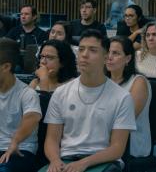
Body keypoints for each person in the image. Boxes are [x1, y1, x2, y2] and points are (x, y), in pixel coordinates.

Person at [39, 29, 136, 172]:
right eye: (82, 49)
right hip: (65, 160)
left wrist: (84, 163)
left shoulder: (122, 97)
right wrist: (55, 161)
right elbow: (52, 139)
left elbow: (117, 148)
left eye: (93, 50)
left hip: (103, 161)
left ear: (105, 57)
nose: (84, 55)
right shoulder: (61, 93)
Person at [106, 36, 154, 170]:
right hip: (102, 140)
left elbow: (126, 120)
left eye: (115, 53)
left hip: (130, 145)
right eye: (107, 52)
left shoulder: (138, 82)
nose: (109, 57)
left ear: (127, 58)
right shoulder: (102, 81)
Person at [29, 39, 77, 170]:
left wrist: (44, 82)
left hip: (60, 139)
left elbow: (49, 115)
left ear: (62, 62)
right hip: (35, 138)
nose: (43, 62)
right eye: (42, 57)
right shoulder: (34, 83)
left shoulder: (72, 85)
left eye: (49, 58)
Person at [0, 37, 42, 172]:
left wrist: (15, 141)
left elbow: (32, 118)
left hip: (22, 150)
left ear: (6, 67)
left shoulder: (27, 93)